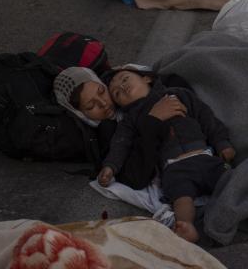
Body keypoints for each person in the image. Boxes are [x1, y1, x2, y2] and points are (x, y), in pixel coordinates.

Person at [100, 68, 234, 242]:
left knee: (229, 179)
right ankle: (185, 226)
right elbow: (120, 146)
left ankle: (246, 205)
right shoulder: (130, 121)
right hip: (174, 166)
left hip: (205, 156)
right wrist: (111, 166)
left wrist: (222, 143)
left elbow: (206, 118)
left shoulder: (178, 94)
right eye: (117, 93)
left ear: (146, 78)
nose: (122, 87)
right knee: (181, 197)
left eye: (124, 79)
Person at [53, 66, 189, 191]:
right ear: (81, 115)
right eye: (90, 106)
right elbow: (135, 177)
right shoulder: (107, 136)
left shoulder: (118, 82)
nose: (103, 103)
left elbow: (172, 82)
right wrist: (152, 122)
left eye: (101, 92)